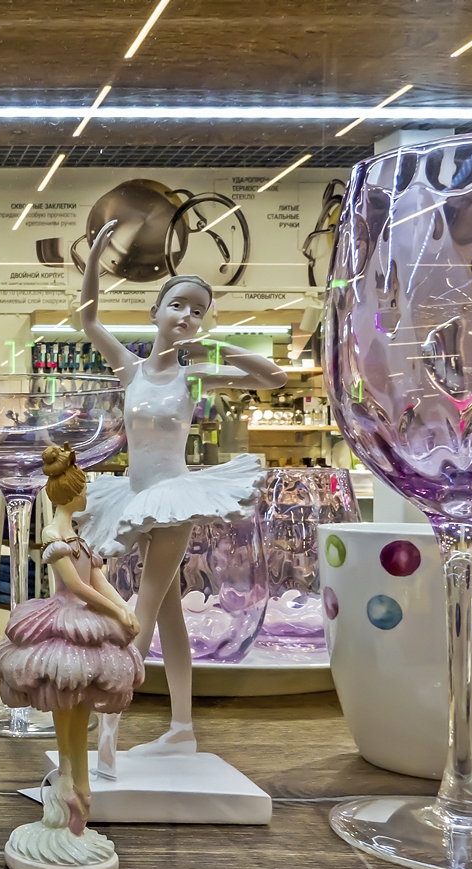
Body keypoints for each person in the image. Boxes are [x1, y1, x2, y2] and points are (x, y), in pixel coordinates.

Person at [75, 220, 286, 757]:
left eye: (198, 310)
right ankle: (182, 727)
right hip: (135, 494)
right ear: (155, 312)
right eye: (178, 305)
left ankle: (109, 727)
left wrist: (220, 345)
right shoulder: (131, 370)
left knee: (140, 610)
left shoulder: (193, 375)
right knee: (168, 615)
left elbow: (275, 379)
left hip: (172, 498)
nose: (188, 316)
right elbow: (88, 318)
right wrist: (96, 256)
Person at [0, 445, 142, 869]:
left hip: (88, 621)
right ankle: (68, 782)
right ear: (70, 494)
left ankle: (78, 792)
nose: (87, 496)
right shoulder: (55, 538)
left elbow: (98, 579)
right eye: (84, 490)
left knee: (82, 709)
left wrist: (123, 608)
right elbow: (76, 586)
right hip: (63, 620)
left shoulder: (80, 539)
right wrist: (113, 610)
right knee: (65, 699)